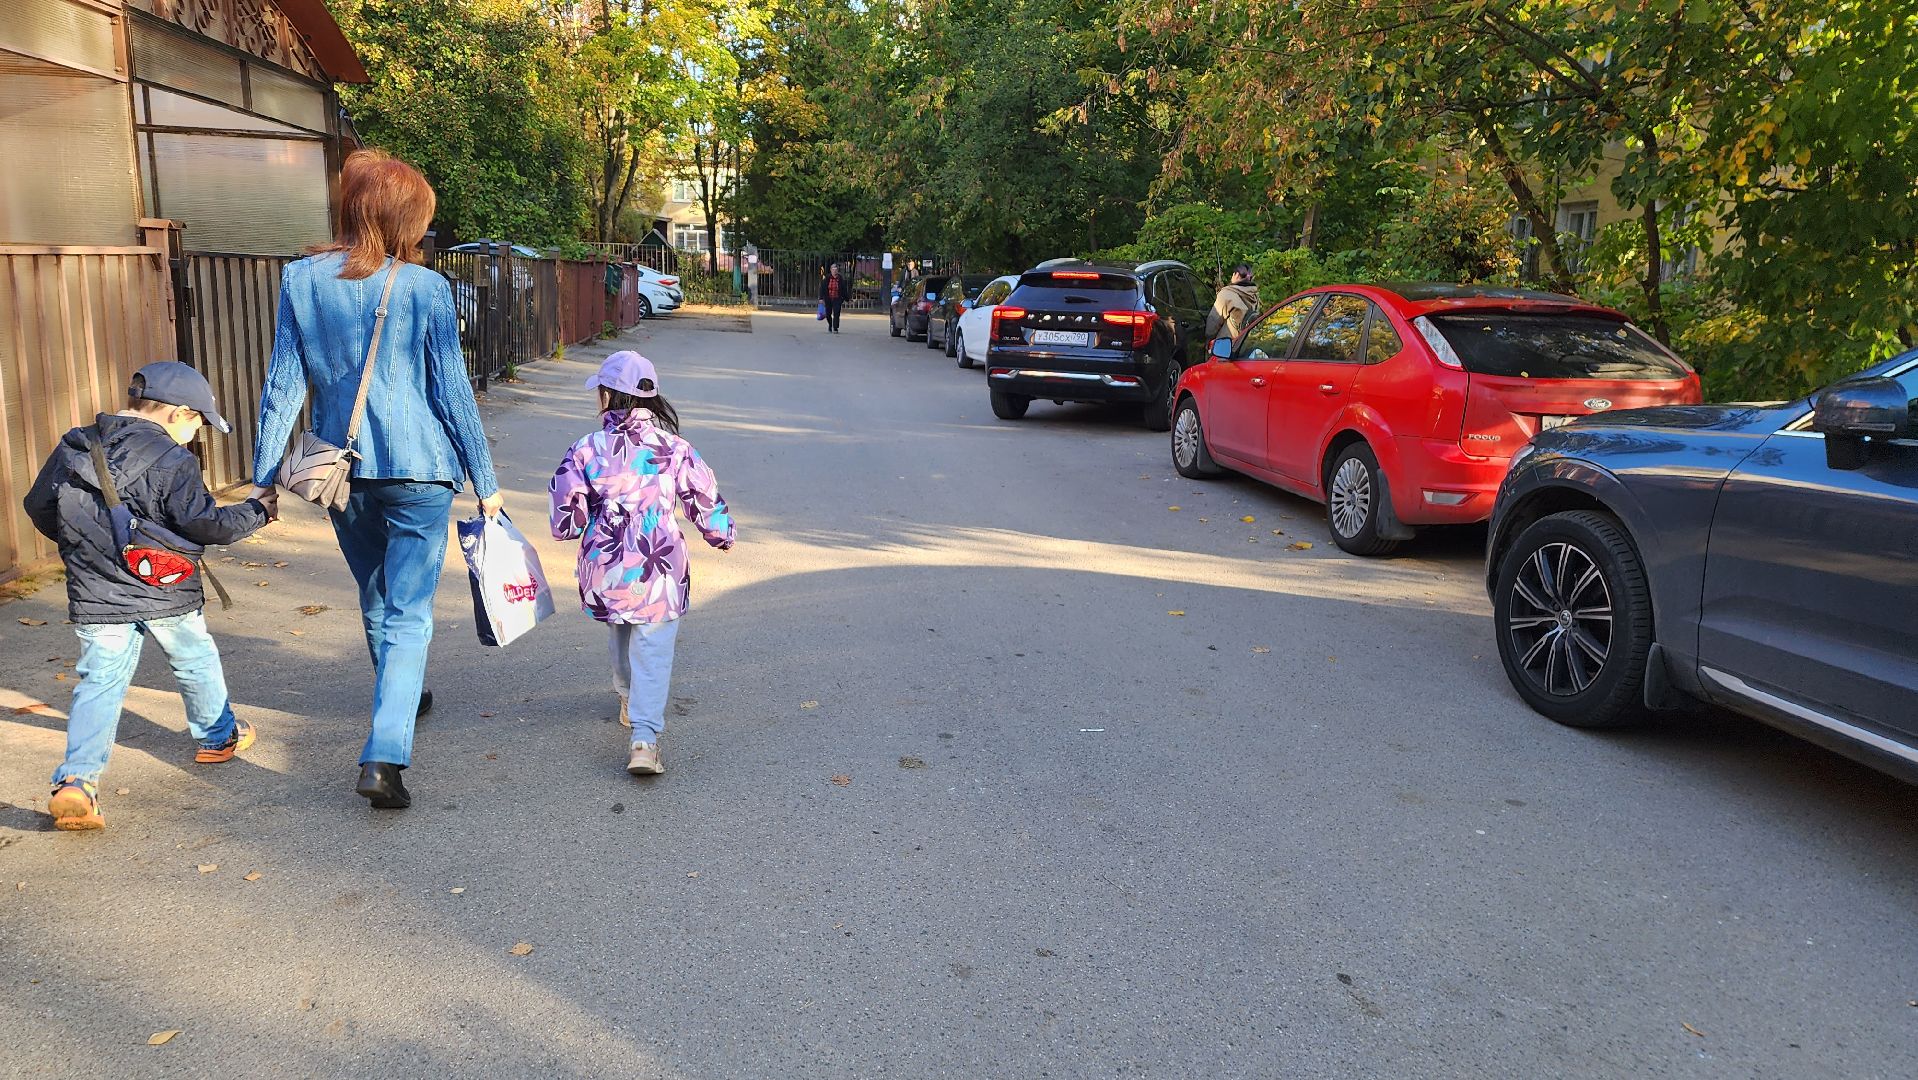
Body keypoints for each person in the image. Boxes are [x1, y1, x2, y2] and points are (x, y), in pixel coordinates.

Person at [252, 149, 500, 811]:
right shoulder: (426, 289)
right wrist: (485, 478)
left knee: (374, 588)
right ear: (402, 219)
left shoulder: (301, 281)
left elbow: (283, 387)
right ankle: (385, 755)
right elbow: (451, 392)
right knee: (409, 609)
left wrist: (262, 478)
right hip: (422, 469)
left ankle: (400, 691)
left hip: (340, 471)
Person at [23, 363, 277, 831]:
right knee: (194, 659)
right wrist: (256, 511)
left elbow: (39, 506)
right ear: (180, 413)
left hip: (97, 589)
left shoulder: (77, 445)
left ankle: (77, 780)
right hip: (165, 585)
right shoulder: (174, 460)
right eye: (198, 423)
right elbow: (205, 524)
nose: (196, 433)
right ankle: (217, 738)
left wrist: (84, 546)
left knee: (99, 681)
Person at [549, 351, 735, 777]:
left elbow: (566, 507)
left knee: (620, 629)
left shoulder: (586, 449)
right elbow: (703, 495)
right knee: (653, 645)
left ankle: (626, 694)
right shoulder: (675, 449)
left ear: (606, 395)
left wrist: (571, 526)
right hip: (660, 564)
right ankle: (644, 740)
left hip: (607, 562)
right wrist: (720, 533)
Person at [1205, 263, 1261, 344]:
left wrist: (1208, 338)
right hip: (1246, 343)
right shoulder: (1254, 295)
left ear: (1237, 275)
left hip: (1228, 344)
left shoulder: (1227, 294)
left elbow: (1214, 321)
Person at [819, 263, 846, 333]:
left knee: (836, 313)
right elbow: (822, 288)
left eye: (836, 269)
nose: (834, 271)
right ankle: (830, 325)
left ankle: (835, 328)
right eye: (833, 269)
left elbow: (844, 289)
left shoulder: (840, 279)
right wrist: (821, 298)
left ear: (837, 270)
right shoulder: (827, 278)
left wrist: (847, 299)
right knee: (828, 314)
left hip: (837, 298)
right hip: (828, 298)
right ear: (831, 270)